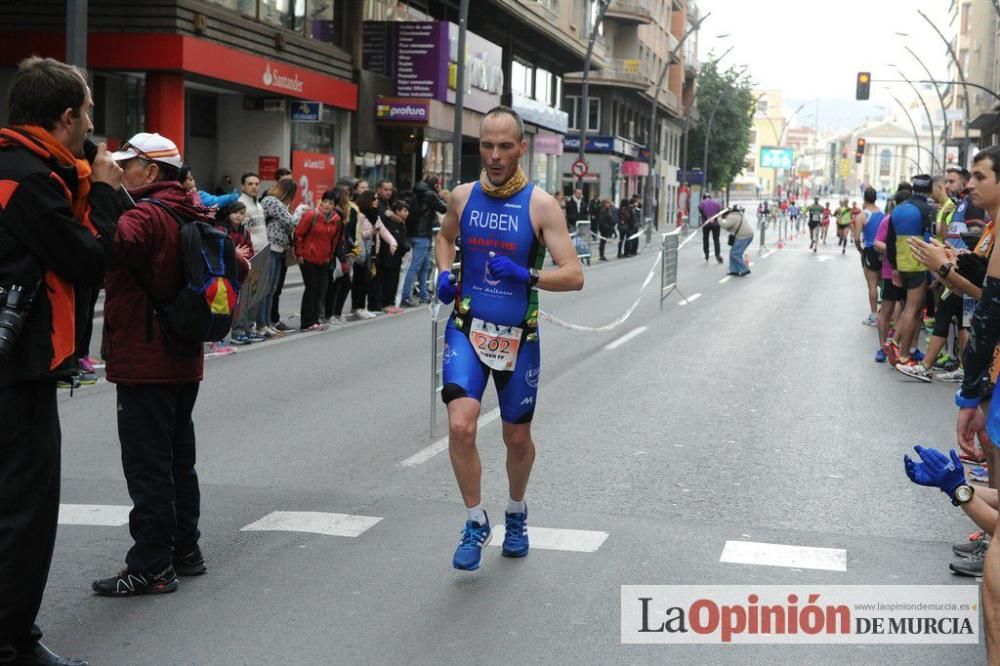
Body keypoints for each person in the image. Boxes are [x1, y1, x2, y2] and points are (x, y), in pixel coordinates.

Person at [0, 56, 123, 666]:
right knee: (25, 512)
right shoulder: (31, 179)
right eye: (89, 115)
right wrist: (100, 192)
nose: (92, 130)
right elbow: (89, 260)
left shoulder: (16, 167)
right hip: (17, 368)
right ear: (67, 116)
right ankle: (12, 640)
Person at [93, 130, 243, 598]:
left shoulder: (145, 215)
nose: (120, 170)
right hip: (182, 353)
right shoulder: (190, 209)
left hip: (145, 358)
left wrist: (100, 190)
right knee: (179, 459)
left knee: (148, 464)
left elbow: (107, 246)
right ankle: (185, 550)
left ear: (152, 171)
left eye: (127, 164)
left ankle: (152, 565)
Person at [434, 106, 583, 571]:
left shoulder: (541, 205)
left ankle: (515, 512)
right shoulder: (462, 196)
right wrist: (442, 273)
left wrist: (527, 274)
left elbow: (574, 275)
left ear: (522, 148)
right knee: (461, 425)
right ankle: (475, 520)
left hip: (519, 335)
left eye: (504, 146)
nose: (494, 156)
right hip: (467, 325)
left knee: (515, 438)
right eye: (486, 146)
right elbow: (444, 238)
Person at [884, 175, 935, 368]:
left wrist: (895, 268)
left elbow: (890, 241)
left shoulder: (898, 209)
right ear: (929, 191)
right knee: (913, 311)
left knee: (907, 308)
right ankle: (904, 355)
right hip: (919, 265)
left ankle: (893, 341)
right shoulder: (927, 210)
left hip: (902, 265)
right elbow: (931, 240)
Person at [294, 189, 344, 331]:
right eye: (325, 202)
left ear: (335, 206)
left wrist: (330, 255)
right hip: (308, 258)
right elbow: (298, 234)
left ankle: (315, 320)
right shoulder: (312, 215)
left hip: (324, 259)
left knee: (321, 289)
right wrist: (299, 253)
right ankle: (306, 322)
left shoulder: (337, 220)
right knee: (311, 288)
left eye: (331, 203)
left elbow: (335, 240)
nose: (327, 205)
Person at [258, 178, 297, 337]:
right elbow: (291, 222)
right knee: (267, 289)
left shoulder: (277, 203)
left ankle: (268, 323)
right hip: (270, 247)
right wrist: (299, 211)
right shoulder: (272, 201)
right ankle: (262, 324)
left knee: (272, 289)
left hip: (279, 249)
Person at [400, 176, 446, 306]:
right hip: (422, 235)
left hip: (412, 234)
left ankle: (424, 295)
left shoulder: (416, 192)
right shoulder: (430, 194)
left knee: (425, 266)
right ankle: (405, 296)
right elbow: (443, 208)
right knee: (414, 266)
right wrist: (440, 194)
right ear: (435, 184)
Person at [214, 201, 254, 346]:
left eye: (242, 213)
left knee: (239, 304)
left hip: (241, 272)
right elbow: (218, 248)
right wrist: (234, 251)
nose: (238, 216)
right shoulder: (221, 229)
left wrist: (245, 260)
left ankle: (237, 332)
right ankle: (219, 337)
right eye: (235, 212)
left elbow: (249, 250)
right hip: (224, 273)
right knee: (223, 304)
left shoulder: (245, 232)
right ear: (228, 213)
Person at [853, 187, 883, 326]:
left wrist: (860, 250)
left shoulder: (862, 216)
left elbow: (857, 238)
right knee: (883, 284)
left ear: (864, 198)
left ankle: (874, 315)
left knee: (872, 285)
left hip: (870, 250)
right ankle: (887, 314)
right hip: (883, 250)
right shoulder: (884, 214)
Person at [378, 199, 410, 312]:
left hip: (396, 257)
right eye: (404, 211)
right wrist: (407, 247)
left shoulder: (401, 223)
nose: (407, 213)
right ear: (396, 211)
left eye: (407, 211)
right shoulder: (393, 223)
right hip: (390, 256)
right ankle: (386, 304)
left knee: (394, 279)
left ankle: (391, 303)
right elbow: (398, 239)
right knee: (389, 280)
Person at [720, 206, 753, 276]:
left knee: (735, 253)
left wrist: (719, 219)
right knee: (733, 252)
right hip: (747, 235)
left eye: (724, 217)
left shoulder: (731, 216)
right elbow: (731, 227)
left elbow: (725, 225)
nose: (725, 219)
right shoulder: (737, 215)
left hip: (743, 236)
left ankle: (744, 269)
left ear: (726, 214)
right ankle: (734, 270)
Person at [698, 193, 722, 263]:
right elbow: (719, 212)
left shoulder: (702, 203)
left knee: (705, 239)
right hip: (716, 224)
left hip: (706, 224)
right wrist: (714, 219)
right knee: (716, 240)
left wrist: (707, 218)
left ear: (704, 198)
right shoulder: (716, 203)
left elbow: (700, 210)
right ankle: (717, 255)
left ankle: (706, 254)